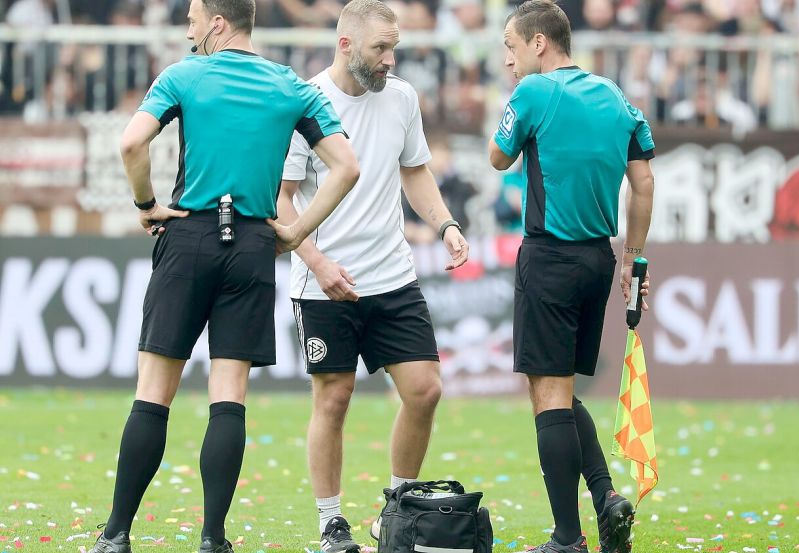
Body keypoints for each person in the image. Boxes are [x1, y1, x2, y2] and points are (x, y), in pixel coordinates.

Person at [87, 1, 360, 552]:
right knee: (229, 395)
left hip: (188, 237)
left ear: (217, 22)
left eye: (193, 18)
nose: (188, 28)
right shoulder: (290, 86)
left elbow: (131, 142)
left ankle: (116, 534)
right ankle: (213, 538)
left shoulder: (183, 75)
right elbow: (348, 167)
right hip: (255, 243)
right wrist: (295, 230)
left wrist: (146, 203)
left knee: (153, 391)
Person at [274, 1, 469, 551]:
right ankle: (331, 522)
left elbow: (415, 172)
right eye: (380, 48)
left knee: (426, 390)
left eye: (394, 48)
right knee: (333, 399)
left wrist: (446, 224)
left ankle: (398, 509)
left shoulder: (402, 98)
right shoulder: (305, 104)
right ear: (345, 45)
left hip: (392, 275)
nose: (390, 59)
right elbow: (281, 200)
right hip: (323, 282)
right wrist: (317, 262)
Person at [487, 1, 655, 552]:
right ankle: (607, 499)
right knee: (559, 390)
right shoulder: (614, 96)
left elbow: (496, 156)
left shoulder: (536, 93)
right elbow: (644, 181)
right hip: (599, 262)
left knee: (549, 394)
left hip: (550, 257)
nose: (508, 61)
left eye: (512, 46)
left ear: (540, 43)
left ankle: (566, 537)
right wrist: (635, 259)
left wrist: (517, 114)